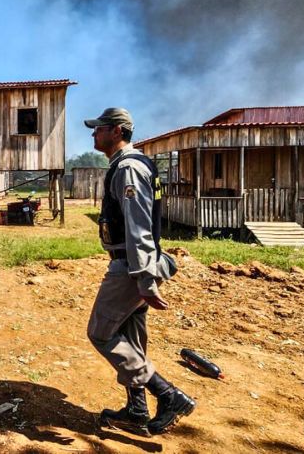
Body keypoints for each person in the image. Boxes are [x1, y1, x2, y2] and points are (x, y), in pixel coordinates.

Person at [84, 108, 195, 436]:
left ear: (116, 131)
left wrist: (145, 279)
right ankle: (136, 409)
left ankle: (167, 394)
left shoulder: (129, 168)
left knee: (101, 333)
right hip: (134, 264)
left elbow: (138, 228)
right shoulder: (131, 165)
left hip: (131, 267)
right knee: (131, 336)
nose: (93, 134)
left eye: (99, 129)